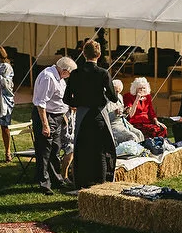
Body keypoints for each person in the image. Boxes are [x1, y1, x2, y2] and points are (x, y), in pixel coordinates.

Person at [63, 40, 119, 189]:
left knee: (82, 151)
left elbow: (66, 98)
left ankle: (82, 183)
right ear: (99, 55)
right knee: (100, 151)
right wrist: (105, 97)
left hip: (82, 116)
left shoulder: (75, 73)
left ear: (83, 54)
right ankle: (100, 185)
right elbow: (114, 97)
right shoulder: (103, 73)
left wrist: (78, 103)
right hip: (98, 116)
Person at [31, 56, 75, 194]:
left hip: (57, 117)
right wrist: (45, 125)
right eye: (70, 73)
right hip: (47, 116)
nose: (69, 76)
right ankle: (44, 183)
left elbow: (60, 99)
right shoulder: (48, 77)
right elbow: (41, 103)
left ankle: (56, 179)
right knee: (44, 151)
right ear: (65, 70)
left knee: (55, 149)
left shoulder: (59, 78)